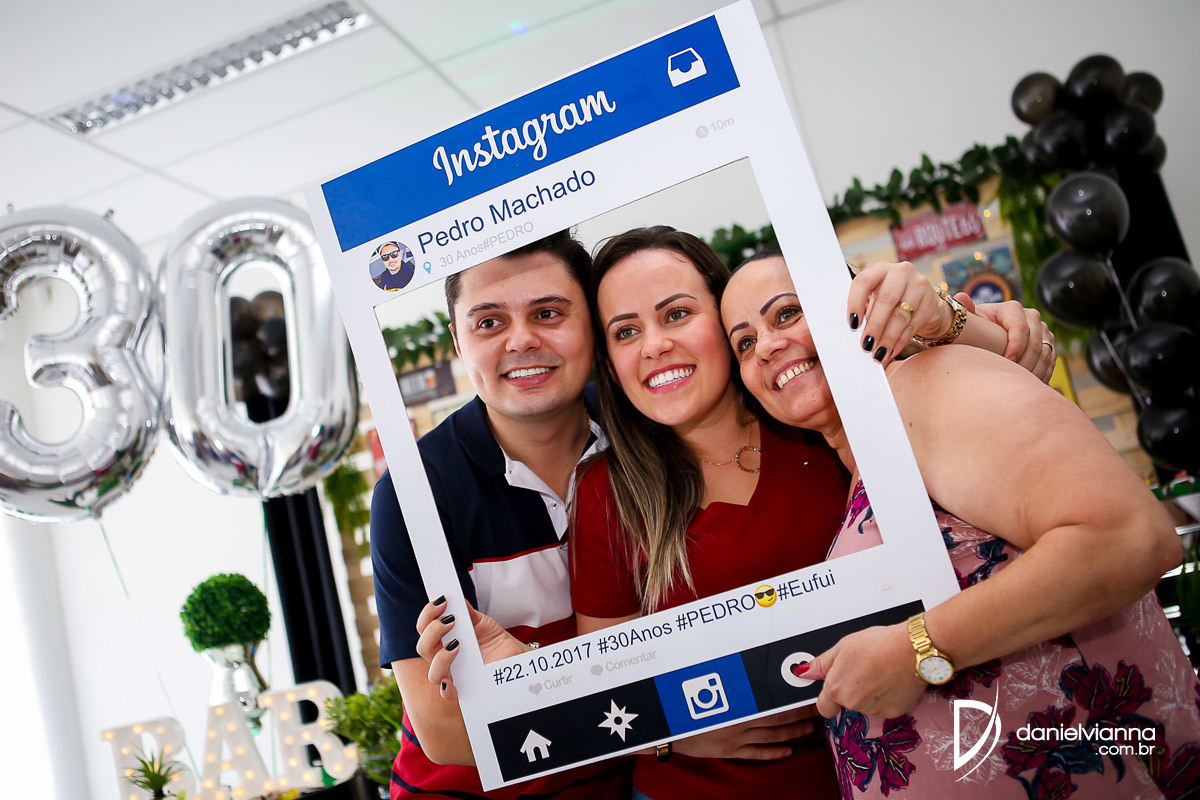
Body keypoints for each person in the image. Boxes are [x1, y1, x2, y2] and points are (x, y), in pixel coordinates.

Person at [406, 228, 1053, 797]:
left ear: (724, 320)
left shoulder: (815, 416)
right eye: (626, 332)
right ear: (610, 363)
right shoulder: (607, 491)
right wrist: (653, 723)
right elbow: (606, 684)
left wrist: (964, 319)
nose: (655, 345)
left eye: (677, 314)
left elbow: (1000, 382)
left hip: (917, 759)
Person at [720, 249, 1198, 798]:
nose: (767, 346)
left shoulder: (928, 385)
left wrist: (915, 651)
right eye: (745, 343)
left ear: (865, 305)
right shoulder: (864, 460)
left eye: (786, 313)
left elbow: (1128, 537)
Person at [370, 231, 629, 798]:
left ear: (591, 319)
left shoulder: (646, 432)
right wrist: (669, 729)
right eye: (489, 322)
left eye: (548, 313)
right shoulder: (413, 494)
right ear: (458, 341)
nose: (522, 340)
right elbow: (445, 733)